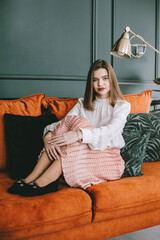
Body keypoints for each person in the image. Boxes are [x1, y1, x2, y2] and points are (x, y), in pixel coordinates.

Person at [8, 59, 131, 197]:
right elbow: (62, 124)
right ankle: (30, 178)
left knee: (77, 135)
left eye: (105, 78)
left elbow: (110, 130)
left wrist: (79, 134)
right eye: (95, 80)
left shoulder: (122, 106)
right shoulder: (83, 104)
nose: (100, 83)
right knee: (68, 127)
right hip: (83, 154)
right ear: (90, 83)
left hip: (109, 159)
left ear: (112, 80)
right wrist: (48, 136)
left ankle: (44, 182)